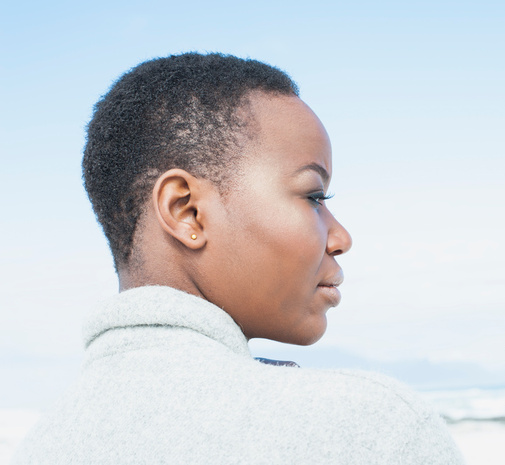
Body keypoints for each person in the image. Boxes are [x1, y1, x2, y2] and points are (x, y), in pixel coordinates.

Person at [11, 53, 465, 464]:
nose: (341, 237)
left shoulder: (41, 446)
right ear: (186, 211)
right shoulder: (372, 429)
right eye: (314, 195)